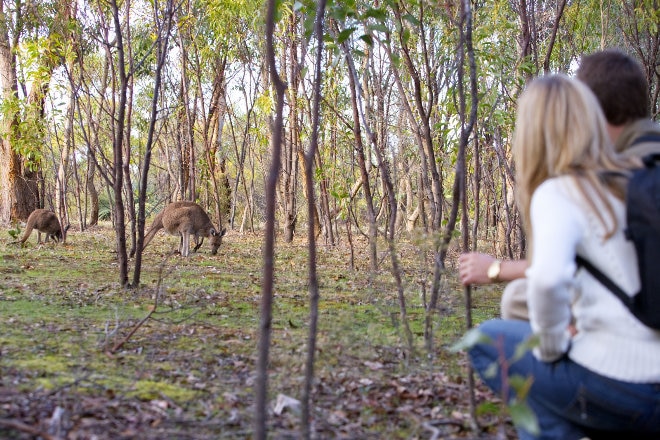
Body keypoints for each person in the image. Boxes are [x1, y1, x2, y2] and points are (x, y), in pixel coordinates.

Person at [466, 74, 660, 439]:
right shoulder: (637, 179)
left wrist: (553, 347)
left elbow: (549, 278)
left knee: (488, 339)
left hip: (629, 386)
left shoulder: (560, 191)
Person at [458, 48, 660, 321]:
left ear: (589, 110)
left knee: (518, 299)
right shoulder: (645, 154)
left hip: (636, 330)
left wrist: (497, 269)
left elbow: (560, 268)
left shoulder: (619, 173)